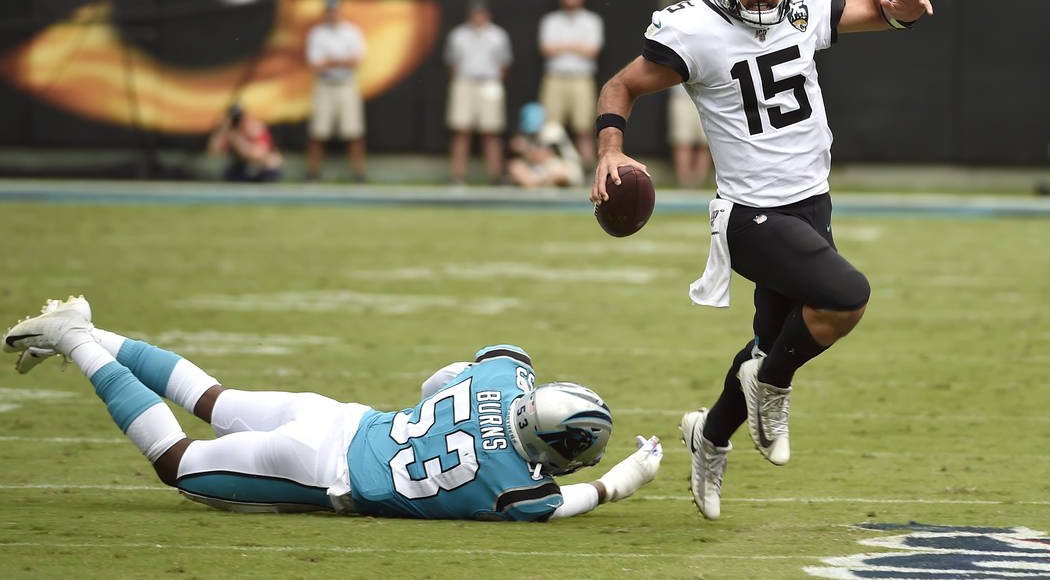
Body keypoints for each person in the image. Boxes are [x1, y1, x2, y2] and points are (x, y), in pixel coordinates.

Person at [589, 0, 933, 521]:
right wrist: (611, 149)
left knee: (771, 342)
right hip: (750, 213)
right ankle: (772, 387)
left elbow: (866, 11)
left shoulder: (800, 1)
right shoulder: (693, 29)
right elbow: (621, 85)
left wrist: (900, 9)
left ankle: (710, 437)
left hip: (811, 198)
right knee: (846, 296)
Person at [3, 296, 663, 520]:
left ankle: (91, 328)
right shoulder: (516, 488)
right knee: (177, 464)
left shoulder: (503, 375)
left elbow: (444, 380)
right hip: (323, 470)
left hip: (340, 417)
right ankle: (75, 339)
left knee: (212, 399)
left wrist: (459, 402)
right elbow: (574, 501)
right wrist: (623, 481)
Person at [444, 0, 512, 186]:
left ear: (487, 14)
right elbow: (451, 64)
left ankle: (495, 176)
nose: (478, 17)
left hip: (489, 83)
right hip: (464, 82)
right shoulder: (458, 35)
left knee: (491, 131)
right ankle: (457, 176)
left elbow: (504, 64)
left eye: (481, 13)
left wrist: (494, 82)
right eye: (475, 13)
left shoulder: (498, 35)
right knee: (460, 130)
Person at [537, 0, 604, 170]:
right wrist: (577, 47)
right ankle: (548, 170)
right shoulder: (550, 20)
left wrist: (562, 47)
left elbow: (592, 50)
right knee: (550, 128)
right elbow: (546, 49)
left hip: (581, 79)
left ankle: (589, 169)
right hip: (555, 78)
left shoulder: (592, 21)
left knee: (583, 127)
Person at [305, 0, 368, 182]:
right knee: (318, 131)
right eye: (329, 11)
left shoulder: (352, 32)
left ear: (340, 11)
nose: (333, 14)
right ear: (326, 12)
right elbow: (315, 65)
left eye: (335, 10)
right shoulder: (317, 33)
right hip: (324, 84)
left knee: (354, 131)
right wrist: (342, 61)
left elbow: (357, 60)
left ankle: (358, 174)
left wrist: (330, 60)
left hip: (346, 84)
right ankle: (313, 173)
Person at [507, 102, 584, 188]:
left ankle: (539, 187)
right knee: (515, 167)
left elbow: (544, 156)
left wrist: (524, 149)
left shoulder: (552, 130)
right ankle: (537, 189)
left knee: (560, 175)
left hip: (564, 167)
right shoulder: (526, 133)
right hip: (542, 172)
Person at [206, 102, 284, 182]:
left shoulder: (254, 128)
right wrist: (223, 128)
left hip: (264, 169)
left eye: (239, 117)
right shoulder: (229, 130)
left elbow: (257, 155)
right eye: (233, 118)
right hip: (242, 169)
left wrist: (236, 137)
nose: (237, 120)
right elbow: (214, 151)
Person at [667, 83, 710, 188]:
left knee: (706, 141)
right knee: (682, 140)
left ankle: (700, 182)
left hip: (708, 96)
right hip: (682, 96)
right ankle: (685, 182)